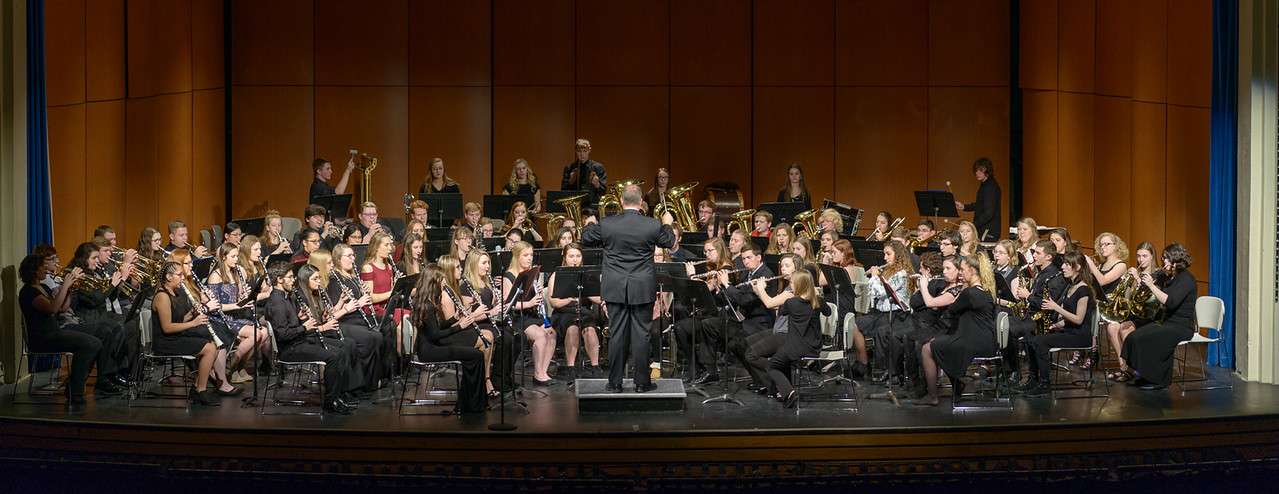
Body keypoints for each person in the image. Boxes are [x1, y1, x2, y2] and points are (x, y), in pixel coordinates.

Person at [580, 184, 675, 393]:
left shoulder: (608, 224)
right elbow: (669, 241)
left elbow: (585, 238)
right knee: (642, 335)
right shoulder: (652, 224)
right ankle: (642, 383)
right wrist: (667, 223)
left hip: (615, 287)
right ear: (641, 203)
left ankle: (614, 383)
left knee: (616, 334)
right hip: (642, 286)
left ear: (621, 202)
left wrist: (590, 223)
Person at [265, 262, 356, 414]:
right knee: (333, 357)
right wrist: (305, 326)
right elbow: (283, 334)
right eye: (289, 277)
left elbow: (290, 324)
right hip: (290, 349)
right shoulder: (277, 303)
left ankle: (340, 394)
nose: (293, 280)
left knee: (343, 348)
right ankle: (330, 401)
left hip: (299, 341)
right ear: (279, 280)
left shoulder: (286, 298)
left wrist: (299, 318)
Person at [18, 254, 107, 409]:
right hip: (43, 338)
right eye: (41, 266)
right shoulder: (28, 292)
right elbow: (52, 308)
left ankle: (74, 386)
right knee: (91, 344)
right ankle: (75, 391)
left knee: (95, 342)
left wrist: (69, 290)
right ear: (33, 270)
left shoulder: (43, 287)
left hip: (54, 332)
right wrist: (65, 285)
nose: (45, 269)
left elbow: (62, 308)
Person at [913, 255, 999, 406]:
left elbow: (952, 310)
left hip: (974, 341)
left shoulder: (969, 293)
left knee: (927, 348)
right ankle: (957, 384)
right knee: (937, 343)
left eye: (963, 270)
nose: (960, 273)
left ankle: (932, 396)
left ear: (972, 271)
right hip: (985, 339)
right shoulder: (983, 290)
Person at [1119, 243, 1198, 391]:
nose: (1163, 261)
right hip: (1167, 322)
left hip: (1181, 326)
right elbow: (1147, 288)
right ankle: (1143, 375)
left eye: (1167, 258)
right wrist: (1138, 279)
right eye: (1163, 258)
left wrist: (1152, 286)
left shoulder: (1186, 279)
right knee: (1134, 337)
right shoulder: (1169, 276)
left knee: (1152, 338)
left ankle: (1158, 380)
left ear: (1176, 260)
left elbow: (1171, 302)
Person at [410, 264, 488, 413]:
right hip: (429, 351)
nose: (444, 284)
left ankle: (470, 401)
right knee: (475, 355)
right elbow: (434, 335)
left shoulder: (429, 301)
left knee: (475, 355)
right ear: (434, 282)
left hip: (433, 346)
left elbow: (437, 327)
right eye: (442, 280)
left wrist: (454, 319)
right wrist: (460, 327)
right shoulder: (427, 305)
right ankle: (470, 403)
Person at [1018, 251, 1095, 396]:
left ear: (1077, 267)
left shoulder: (1084, 290)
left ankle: (1044, 383)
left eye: (1067, 264)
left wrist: (1056, 307)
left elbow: (1079, 319)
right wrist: (1056, 325)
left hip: (1080, 335)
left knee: (1041, 342)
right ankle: (1033, 379)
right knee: (1030, 337)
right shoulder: (1071, 287)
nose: (1063, 267)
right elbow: (1069, 318)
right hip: (1069, 331)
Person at [149, 261, 221, 407]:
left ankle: (197, 387)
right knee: (209, 348)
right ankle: (200, 390)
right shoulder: (162, 296)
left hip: (175, 337)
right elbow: (167, 328)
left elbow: (179, 320)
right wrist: (193, 323)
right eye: (179, 275)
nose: (183, 278)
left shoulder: (176, 293)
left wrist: (192, 313)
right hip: (165, 342)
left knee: (213, 343)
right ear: (169, 277)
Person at [327, 244, 386, 393]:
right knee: (373, 337)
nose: (353, 259)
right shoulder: (335, 280)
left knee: (386, 326)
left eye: (353, 255)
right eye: (349, 256)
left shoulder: (353, 276)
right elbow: (334, 309)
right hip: (345, 320)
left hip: (357, 317)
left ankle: (378, 376)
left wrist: (362, 292)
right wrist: (358, 302)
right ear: (338, 260)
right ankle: (365, 381)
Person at [1104, 242, 1161, 382]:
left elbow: (1151, 299)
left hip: (1150, 316)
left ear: (1152, 257)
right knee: (1112, 327)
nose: (1141, 259)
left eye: (1145, 256)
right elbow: (1130, 297)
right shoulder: (1139, 272)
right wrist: (1125, 283)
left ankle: (1137, 369)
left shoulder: (1158, 274)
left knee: (1124, 328)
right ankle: (1124, 368)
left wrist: (1137, 278)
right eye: (1139, 256)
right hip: (1135, 314)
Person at [547, 243, 604, 378]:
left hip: (582, 311)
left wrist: (603, 300)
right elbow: (554, 302)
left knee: (589, 329)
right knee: (572, 329)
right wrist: (571, 299)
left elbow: (598, 297)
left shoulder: (587, 273)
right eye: (571, 256)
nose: (575, 259)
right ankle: (570, 367)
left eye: (578, 256)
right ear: (565, 257)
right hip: (563, 313)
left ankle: (595, 365)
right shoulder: (557, 274)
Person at [954, 157, 1002, 242]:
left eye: (980, 170)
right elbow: (981, 205)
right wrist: (964, 207)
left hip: (988, 231)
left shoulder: (990, 187)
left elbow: (989, 213)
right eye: (976, 170)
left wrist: (972, 225)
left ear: (988, 170)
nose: (977, 173)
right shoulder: (985, 185)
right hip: (984, 229)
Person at [561, 139, 608, 215]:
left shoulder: (598, 167)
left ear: (589, 151)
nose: (582, 154)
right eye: (579, 151)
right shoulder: (569, 168)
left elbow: (603, 191)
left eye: (585, 151)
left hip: (592, 208)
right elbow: (563, 191)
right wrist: (570, 181)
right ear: (576, 152)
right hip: (574, 209)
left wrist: (597, 184)